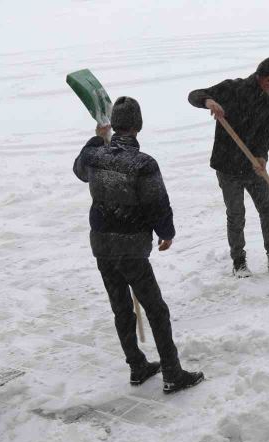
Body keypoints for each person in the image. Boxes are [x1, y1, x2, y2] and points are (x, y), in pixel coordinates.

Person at [73, 96, 203, 394]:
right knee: (156, 310)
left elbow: (79, 170)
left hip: (102, 245)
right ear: (138, 126)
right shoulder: (143, 163)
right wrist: (166, 232)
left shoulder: (94, 155)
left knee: (121, 309)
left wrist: (97, 139)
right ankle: (172, 372)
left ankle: (137, 365)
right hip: (131, 248)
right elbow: (157, 202)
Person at [188, 56, 269, 278]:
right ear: (267, 79)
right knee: (236, 214)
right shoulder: (233, 89)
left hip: (252, 166)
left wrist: (262, 156)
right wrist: (208, 101)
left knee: (268, 210)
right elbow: (194, 95)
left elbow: (266, 132)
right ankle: (239, 262)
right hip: (227, 166)